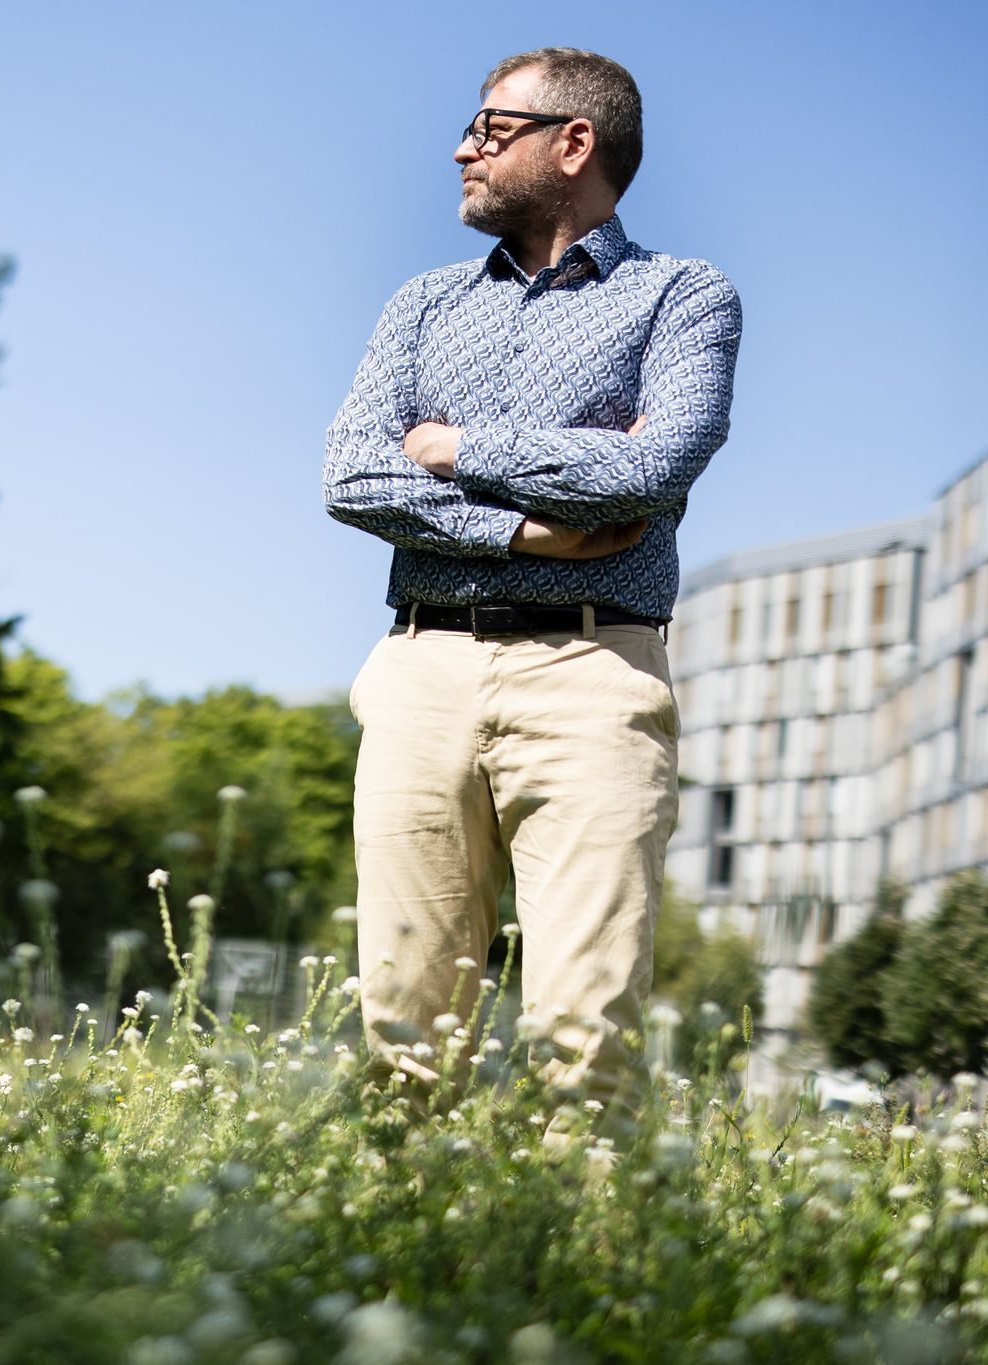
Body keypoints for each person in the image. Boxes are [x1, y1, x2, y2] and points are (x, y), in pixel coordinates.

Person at [321, 48, 741, 1129]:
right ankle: (393, 1264)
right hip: (420, 670)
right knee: (402, 1023)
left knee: (584, 1030)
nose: (462, 148)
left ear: (574, 142)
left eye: (489, 127)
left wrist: (451, 447)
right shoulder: (420, 304)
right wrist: (527, 527)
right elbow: (351, 475)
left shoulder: (682, 297)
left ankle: (584, 1277)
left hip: (594, 670)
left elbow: (653, 471)